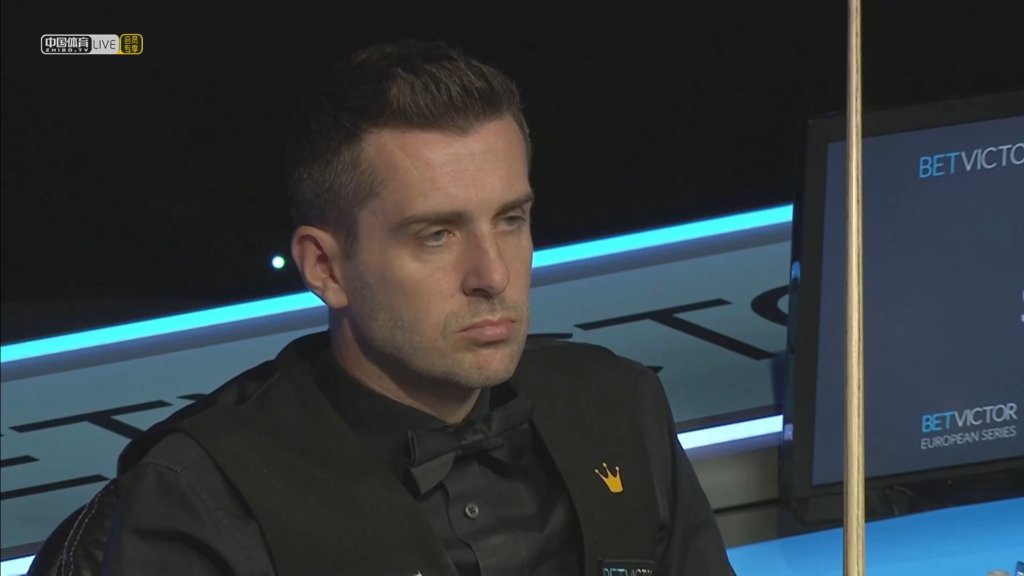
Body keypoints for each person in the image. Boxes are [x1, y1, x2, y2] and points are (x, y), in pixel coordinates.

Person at [101, 39, 735, 575]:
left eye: (510, 220)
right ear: (326, 269)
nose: (493, 274)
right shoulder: (202, 499)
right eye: (437, 235)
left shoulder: (617, 404)